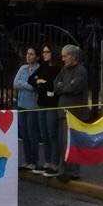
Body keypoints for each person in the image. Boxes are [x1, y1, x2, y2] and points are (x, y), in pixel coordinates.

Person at [54, 44, 89, 182]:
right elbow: (56, 84)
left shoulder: (81, 70)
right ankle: (64, 169)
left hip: (74, 113)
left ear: (73, 56)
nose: (63, 59)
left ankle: (72, 171)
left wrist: (63, 87)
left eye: (65, 56)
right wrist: (62, 87)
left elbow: (73, 87)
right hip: (63, 112)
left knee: (71, 142)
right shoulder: (64, 69)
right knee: (62, 142)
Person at [34, 44, 62, 176]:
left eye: (47, 51)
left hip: (52, 104)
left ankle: (54, 163)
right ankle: (47, 161)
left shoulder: (58, 68)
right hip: (41, 102)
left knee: (52, 133)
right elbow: (32, 79)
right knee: (44, 133)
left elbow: (54, 84)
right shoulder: (43, 66)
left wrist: (43, 82)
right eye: (43, 52)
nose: (44, 54)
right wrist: (40, 82)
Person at [13, 46, 41, 171]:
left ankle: (34, 161)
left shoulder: (39, 69)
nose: (29, 56)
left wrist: (24, 85)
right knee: (23, 133)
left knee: (32, 133)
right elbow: (15, 83)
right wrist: (28, 84)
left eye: (32, 54)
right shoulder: (22, 68)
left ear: (37, 56)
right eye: (28, 53)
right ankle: (27, 160)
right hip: (21, 104)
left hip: (33, 105)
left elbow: (36, 87)